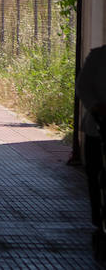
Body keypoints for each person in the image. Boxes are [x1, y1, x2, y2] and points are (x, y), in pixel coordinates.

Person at [78, 44, 106, 261]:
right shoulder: (98, 56)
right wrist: (96, 107)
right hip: (98, 128)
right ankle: (99, 219)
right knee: (96, 175)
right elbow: (83, 87)